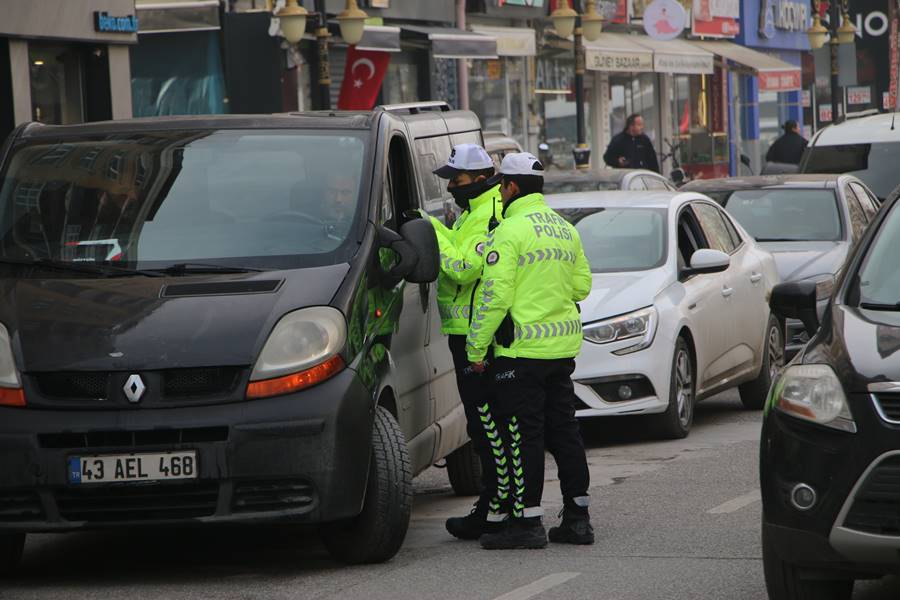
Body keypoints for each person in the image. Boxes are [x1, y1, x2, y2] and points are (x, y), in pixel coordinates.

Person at [466, 152, 594, 550]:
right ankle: (577, 518)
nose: (499, 192)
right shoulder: (563, 228)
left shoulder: (509, 230)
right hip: (560, 350)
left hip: (521, 354)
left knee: (525, 436)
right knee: (566, 432)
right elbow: (581, 287)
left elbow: (495, 294)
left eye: (501, 185)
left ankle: (526, 523)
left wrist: (475, 347)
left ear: (512, 187)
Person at [427, 143, 506, 540]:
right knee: (482, 425)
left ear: (479, 180)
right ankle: (492, 503)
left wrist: (431, 229)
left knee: (488, 425)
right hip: (466, 334)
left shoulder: (488, 214)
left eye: (455, 180)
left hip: (480, 337)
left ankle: (496, 507)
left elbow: (463, 268)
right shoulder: (472, 212)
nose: (451, 188)